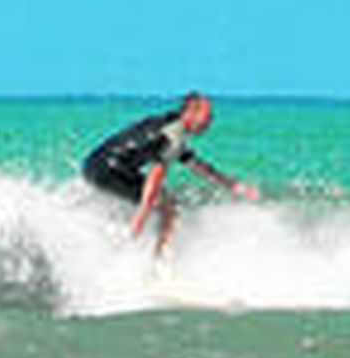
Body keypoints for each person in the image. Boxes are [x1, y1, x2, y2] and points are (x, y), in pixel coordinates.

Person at [82, 91, 259, 253]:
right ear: (191, 112)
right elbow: (155, 176)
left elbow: (194, 163)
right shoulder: (173, 134)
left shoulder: (167, 124)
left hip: (92, 166)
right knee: (168, 205)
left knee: (148, 201)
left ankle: (109, 236)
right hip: (109, 171)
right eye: (207, 116)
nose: (210, 121)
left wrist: (231, 184)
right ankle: (158, 257)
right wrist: (142, 216)